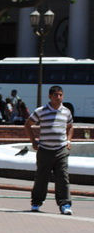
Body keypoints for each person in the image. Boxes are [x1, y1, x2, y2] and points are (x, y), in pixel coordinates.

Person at [24, 85, 74, 215]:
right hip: (45, 150)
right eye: (56, 95)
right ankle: (36, 203)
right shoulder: (41, 111)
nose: (58, 97)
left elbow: (70, 126)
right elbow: (28, 124)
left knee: (63, 177)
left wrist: (68, 140)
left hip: (61, 150)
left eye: (60, 95)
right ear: (50, 96)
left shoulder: (66, 111)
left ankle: (65, 204)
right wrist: (33, 141)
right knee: (41, 178)